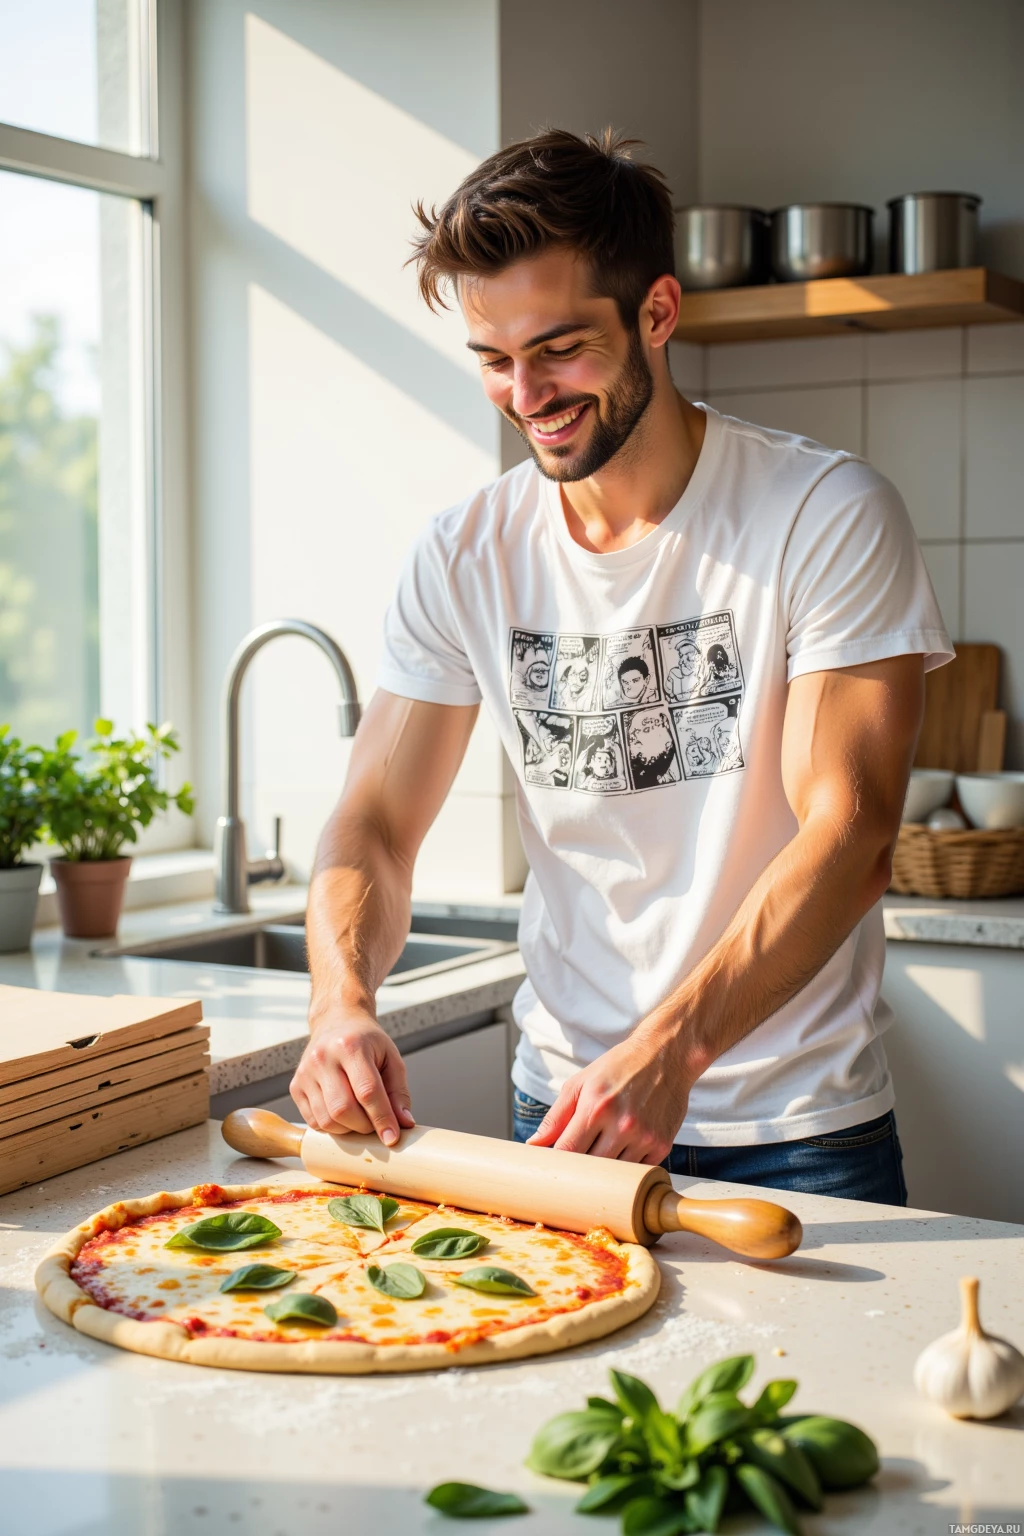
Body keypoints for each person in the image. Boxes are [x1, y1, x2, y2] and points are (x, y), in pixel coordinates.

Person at [290, 129, 952, 1204]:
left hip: (793, 1128)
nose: (526, 395)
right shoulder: (466, 552)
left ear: (656, 313)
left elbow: (850, 836)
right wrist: (338, 1005)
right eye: (494, 361)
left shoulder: (823, 513)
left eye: (558, 349)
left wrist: (671, 1054)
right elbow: (372, 819)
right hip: (559, 1117)